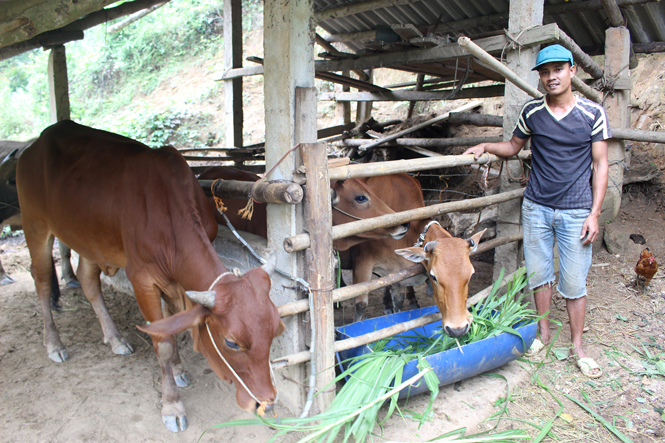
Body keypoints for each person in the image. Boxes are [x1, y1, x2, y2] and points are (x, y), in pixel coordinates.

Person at [463, 44, 609, 379]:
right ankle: (542, 335)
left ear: (573, 70)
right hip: (537, 208)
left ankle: (577, 347)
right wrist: (486, 145)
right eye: (544, 72)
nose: (551, 77)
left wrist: (594, 213)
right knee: (540, 275)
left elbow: (601, 166)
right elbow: (514, 147)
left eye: (557, 69)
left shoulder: (592, 113)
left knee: (574, 283)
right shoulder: (532, 112)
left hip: (576, 211)